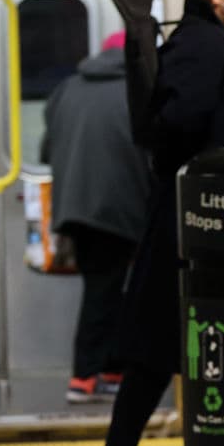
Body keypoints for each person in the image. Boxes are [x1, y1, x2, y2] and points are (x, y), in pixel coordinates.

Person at [87, 0, 224, 446]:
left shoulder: (200, 41)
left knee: (160, 346)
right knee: (161, 343)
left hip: (195, 216)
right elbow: (179, 120)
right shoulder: (201, 44)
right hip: (193, 218)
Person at [40, 30, 151, 404]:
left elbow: (45, 148)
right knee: (108, 291)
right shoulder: (138, 89)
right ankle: (86, 376)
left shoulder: (67, 88)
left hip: (75, 206)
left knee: (105, 288)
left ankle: (108, 370)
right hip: (121, 206)